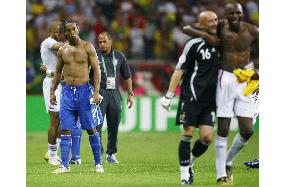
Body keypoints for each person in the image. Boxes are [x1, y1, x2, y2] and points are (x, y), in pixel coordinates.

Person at [183, 2, 259, 185]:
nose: (234, 16)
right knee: (223, 128)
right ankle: (221, 175)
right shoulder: (220, 26)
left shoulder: (253, 31)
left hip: (244, 80)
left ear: (243, 14)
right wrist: (205, 36)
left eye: (237, 13)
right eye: (231, 13)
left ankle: (228, 160)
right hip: (224, 78)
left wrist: (255, 69)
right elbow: (186, 28)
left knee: (247, 130)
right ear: (225, 15)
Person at [160, 11, 219, 185]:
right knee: (187, 133)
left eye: (216, 20)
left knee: (207, 137)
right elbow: (179, 70)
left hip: (210, 101)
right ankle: (184, 175)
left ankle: (190, 162)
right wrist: (169, 95)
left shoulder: (221, 44)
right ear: (201, 25)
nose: (214, 23)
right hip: (191, 97)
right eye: (210, 21)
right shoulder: (193, 44)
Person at [50, 20, 103, 173]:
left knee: (91, 128)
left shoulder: (88, 47)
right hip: (67, 92)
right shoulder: (62, 50)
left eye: (74, 28)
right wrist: (53, 91)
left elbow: (96, 70)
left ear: (78, 29)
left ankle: (98, 163)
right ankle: (64, 165)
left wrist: (96, 91)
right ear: (65, 33)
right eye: (68, 30)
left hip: (84, 91)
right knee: (65, 128)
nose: (72, 32)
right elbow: (58, 72)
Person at [90, 32, 134, 164]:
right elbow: (86, 75)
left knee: (114, 125)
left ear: (111, 41)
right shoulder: (94, 55)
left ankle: (111, 153)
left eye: (104, 41)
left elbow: (127, 76)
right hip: (99, 93)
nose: (102, 44)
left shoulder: (120, 56)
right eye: (99, 42)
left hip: (115, 93)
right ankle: (98, 153)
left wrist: (130, 94)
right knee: (97, 125)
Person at [39, 20, 65, 165]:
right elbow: (59, 46)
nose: (63, 36)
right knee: (54, 120)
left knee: (62, 120)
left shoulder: (59, 46)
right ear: (55, 31)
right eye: (62, 33)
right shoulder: (48, 42)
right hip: (51, 85)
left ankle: (52, 153)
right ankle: (51, 155)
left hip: (61, 84)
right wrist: (76, 44)